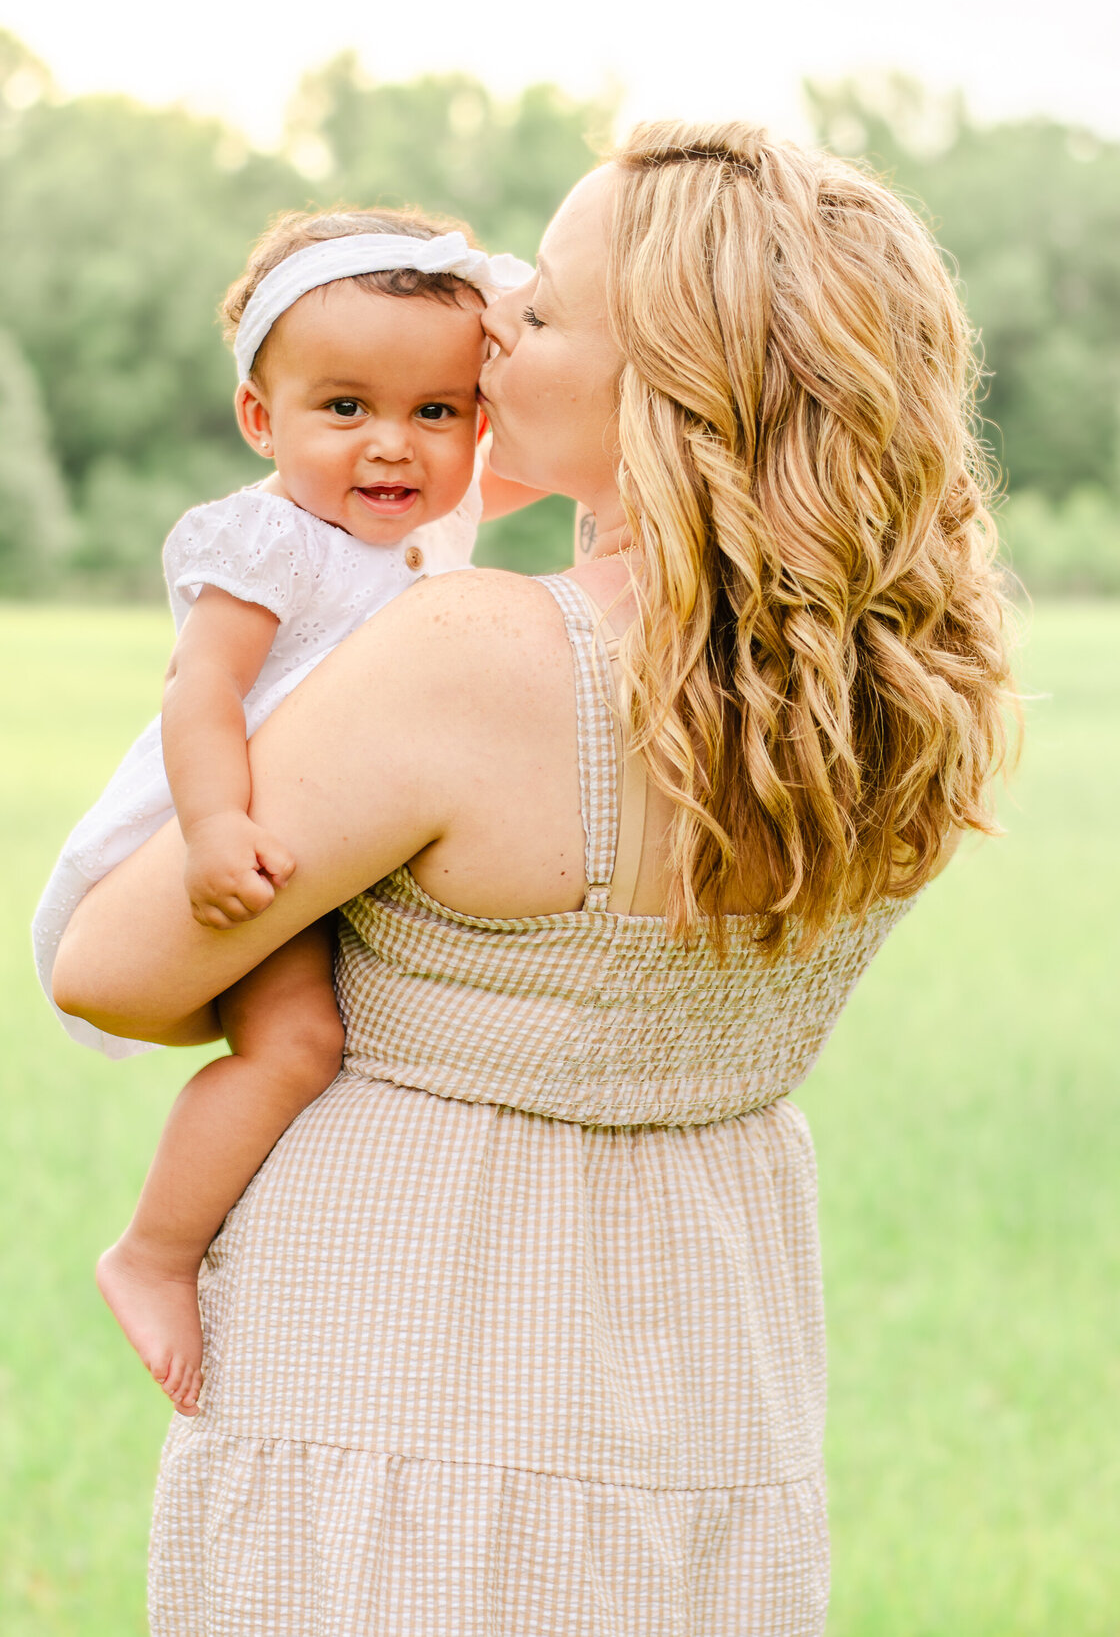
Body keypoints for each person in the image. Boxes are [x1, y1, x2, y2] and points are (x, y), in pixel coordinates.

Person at [53, 121, 1015, 1636]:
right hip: (709, 1365)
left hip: (410, 1339)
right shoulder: (895, 698)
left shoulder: (476, 654)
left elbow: (110, 963)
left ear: (676, 387)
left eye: (544, 310)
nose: (493, 331)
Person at [33, 206, 538, 1416]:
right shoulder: (277, 539)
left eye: (436, 411)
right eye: (344, 408)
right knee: (297, 1046)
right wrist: (211, 831)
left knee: (343, 1045)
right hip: (230, 831)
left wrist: (505, 311)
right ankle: (152, 1253)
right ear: (262, 419)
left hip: (332, 847)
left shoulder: (433, 526)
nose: (392, 449)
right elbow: (198, 690)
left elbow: (558, 437)